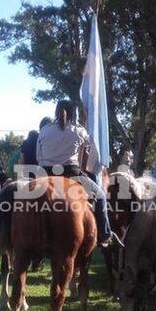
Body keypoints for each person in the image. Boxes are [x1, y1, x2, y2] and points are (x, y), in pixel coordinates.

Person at [36, 99, 118, 248]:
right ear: (73, 113)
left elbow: (38, 156)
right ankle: (104, 234)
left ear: (56, 111)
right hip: (72, 173)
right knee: (100, 195)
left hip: (46, 174)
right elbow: (87, 152)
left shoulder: (44, 130)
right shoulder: (79, 130)